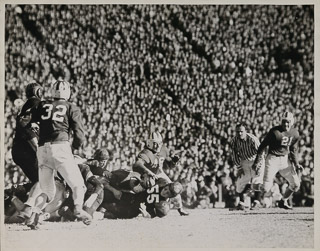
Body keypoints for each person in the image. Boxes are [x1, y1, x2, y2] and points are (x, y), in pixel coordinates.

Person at [23, 79, 91, 229]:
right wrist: (74, 148)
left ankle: (34, 214)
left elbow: (30, 123)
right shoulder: (71, 107)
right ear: (67, 92)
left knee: (47, 190)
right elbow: (79, 134)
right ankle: (78, 209)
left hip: (42, 149)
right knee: (78, 185)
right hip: (60, 146)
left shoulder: (42, 105)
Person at [252, 111, 303, 210]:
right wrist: (257, 161)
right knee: (265, 188)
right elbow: (262, 146)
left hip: (284, 160)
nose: (286, 124)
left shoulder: (295, 133)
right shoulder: (274, 132)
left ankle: (283, 201)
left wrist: (296, 163)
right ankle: (252, 186)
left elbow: (293, 150)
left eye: (288, 122)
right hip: (272, 160)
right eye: (284, 121)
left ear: (292, 122)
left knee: (296, 184)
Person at [132, 130, 189, 216]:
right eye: (155, 143)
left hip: (159, 173)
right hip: (146, 176)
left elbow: (169, 165)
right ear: (149, 143)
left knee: (174, 188)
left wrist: (174, 162)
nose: (158, 145)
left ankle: (180, 209)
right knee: (136, 191)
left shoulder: (164, 149)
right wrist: (149, 172)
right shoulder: (146, 153)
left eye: (159, 143)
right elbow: (137, 164)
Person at [11, 82, 43, 184]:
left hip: (20, 148)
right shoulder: (35, 103)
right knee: (43, 181)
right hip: (27, 148)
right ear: (38, 92)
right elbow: (23, 123)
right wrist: (34, 142)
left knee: (38, 181)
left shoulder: (26, 105)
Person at [230, 123, 264, 210]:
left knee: (256, 179)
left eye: (241, 131)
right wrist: (239, 167)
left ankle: (257, 202)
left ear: (246, 131)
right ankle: (241, 203)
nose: (239, 134)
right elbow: (234, 155)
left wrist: (257, 165)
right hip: (244, 161)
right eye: (237, 132)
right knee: (241, 182)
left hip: (255, 159)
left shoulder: (252, 139)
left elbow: (260, 152)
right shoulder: (234, 140)